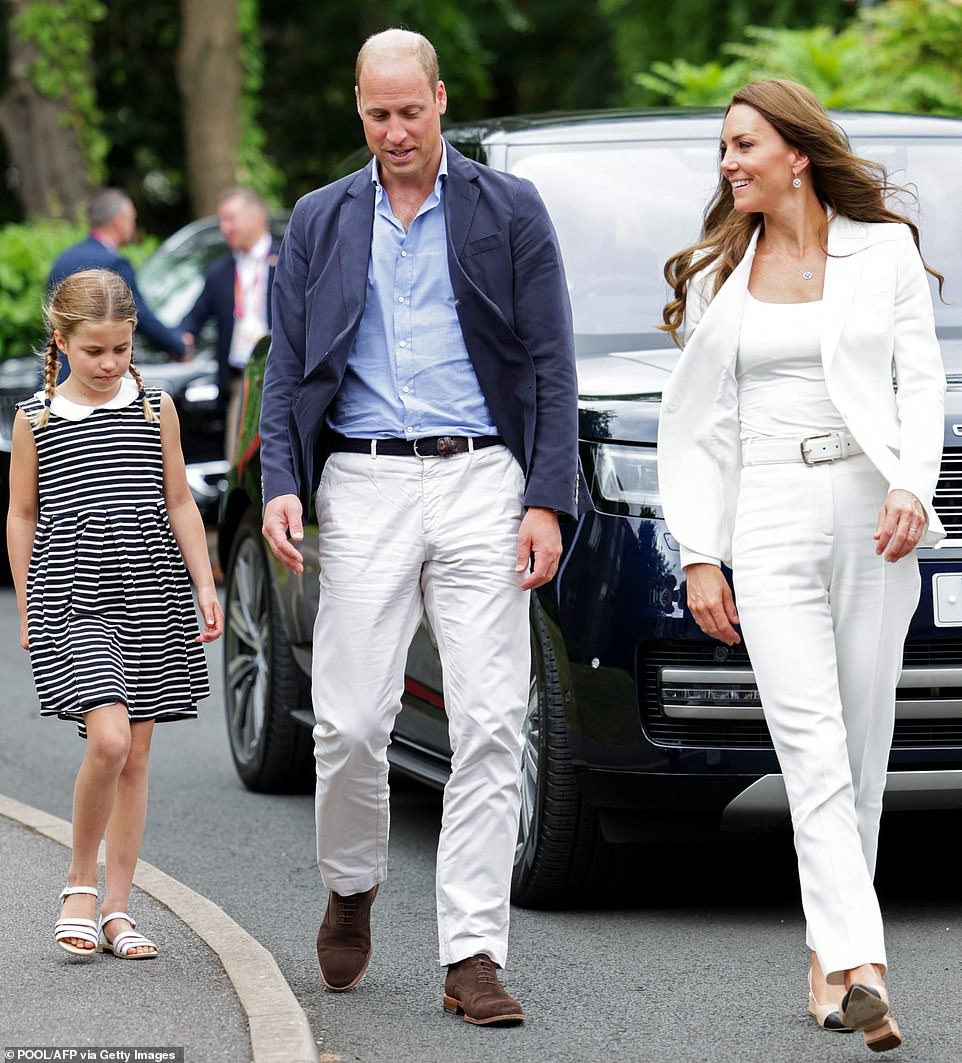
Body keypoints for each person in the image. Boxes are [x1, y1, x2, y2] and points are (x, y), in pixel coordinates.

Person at [259, 28, 581, 1025]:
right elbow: (286, 363)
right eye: (376, 114)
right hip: (360, 482)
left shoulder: (507, 208)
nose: (395, 132)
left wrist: (546, 496)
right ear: (357, 109)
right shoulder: (317, 219)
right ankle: (351, 881)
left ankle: (471, 955)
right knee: (351, 720)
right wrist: (281, 477)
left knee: (490, 717)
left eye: (411, 111)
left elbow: (550, 359)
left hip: (482, 473)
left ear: (439, 99)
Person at [657, 79, 945, 1053]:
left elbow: (919, 382)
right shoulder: (715, 272)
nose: (728, 162)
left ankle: (829, 963)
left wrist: (912, 482)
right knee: (811, 749)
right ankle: (865, 964)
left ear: (796, 152)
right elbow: (695, 429)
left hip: (872, 515)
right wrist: (701, 554)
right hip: (769, 516)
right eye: (722, 149)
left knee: (860, 752)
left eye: (742, 144)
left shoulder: (883, 252)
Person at [6, 268, 223, 960]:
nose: (108, 364)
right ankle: (78, 882)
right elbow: (21, 515)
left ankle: (119, 908)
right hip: (74, 596)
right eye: (93, 350)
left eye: (120, 350)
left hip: (151, 590)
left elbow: (181, 501)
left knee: (137, 755)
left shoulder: (156, 407)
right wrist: (28, 602)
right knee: (107, 740)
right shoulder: (34, 419)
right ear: (62, 340)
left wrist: (205, 584)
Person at [179, 188, 279, 462]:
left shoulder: (287, 260)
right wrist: (180, 340)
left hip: (282, 376)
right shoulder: (219, 271)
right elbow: (193, 319)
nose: (224, 228)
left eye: (230, 219)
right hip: (241, 380)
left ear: (257, 217)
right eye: (222, 220)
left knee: (281, 459)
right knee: (238, 460)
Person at [48, 189, 188, 360]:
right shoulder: (115, 265)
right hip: (99, 370)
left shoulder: (63, 260)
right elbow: (140, 316)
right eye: (132, 219)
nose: (134, 225)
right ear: (119, 222)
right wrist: (178, 346)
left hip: (58, 365)